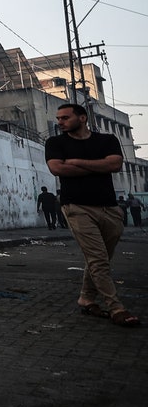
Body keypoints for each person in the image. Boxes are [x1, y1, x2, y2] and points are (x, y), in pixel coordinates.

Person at [45, 103, 138, 327]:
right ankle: (116, 307)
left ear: (83, 118)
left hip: (109, 208)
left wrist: (76, 163)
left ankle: (86, 298)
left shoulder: (107, 140)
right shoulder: (55, 143)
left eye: (65, 118)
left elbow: (115, 164)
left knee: (100, 258)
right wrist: (99, 166)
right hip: (76, 207)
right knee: (98, 259)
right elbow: (58, 169)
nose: (60, 122)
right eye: (58, 118)